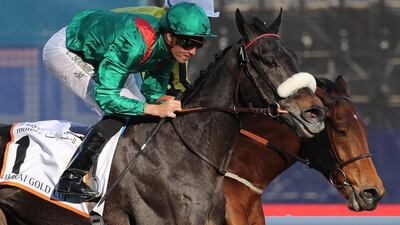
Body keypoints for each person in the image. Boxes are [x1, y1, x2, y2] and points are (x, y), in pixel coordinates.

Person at [42, 2, 216, 201]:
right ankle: (71, 178)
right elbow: (107, 98)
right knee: (122, 112)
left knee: (138, 113)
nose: (193, 51)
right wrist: (152, 108)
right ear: (169, 36)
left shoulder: (170, 50)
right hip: (68, 49)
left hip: (107, 52)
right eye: (188, 43)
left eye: (199, 44)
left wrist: (162, 102)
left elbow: (153, 90)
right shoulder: (134, 43)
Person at [111, 0, 220, 96]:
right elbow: (151, 82)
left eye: (208, 19)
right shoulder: (158, 30)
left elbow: (179, 82)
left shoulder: (174, 26)